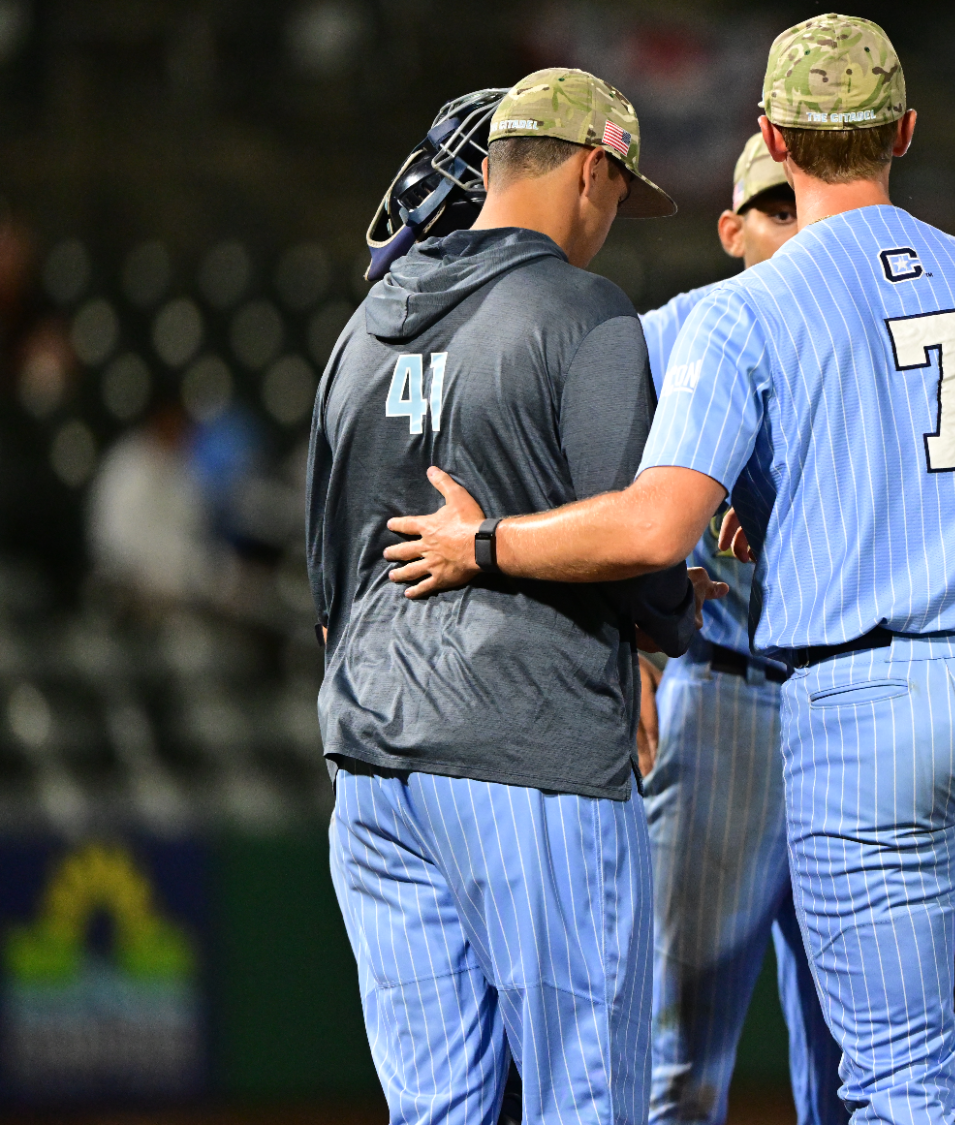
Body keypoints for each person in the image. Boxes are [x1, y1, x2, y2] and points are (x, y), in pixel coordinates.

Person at [378, 15, 955, 1125]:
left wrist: (483, 544)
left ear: (768, 130)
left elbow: (660, 530)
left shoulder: (748, 309)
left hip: (864, 695)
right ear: (903, 130)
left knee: (899, 1072)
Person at [307, 68, 696, 1124]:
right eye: (620, 188)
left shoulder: (362, 330)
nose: (615, 213)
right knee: (586, 1099)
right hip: (530, 751)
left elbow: (329, 585)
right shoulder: (582, 311)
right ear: (591, 168)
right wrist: (674, 611)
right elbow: (642, 553)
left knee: (437, 1110)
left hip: (374, 771)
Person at [634, 134, 845, 1125]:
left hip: (853, 707)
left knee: (856, 1050)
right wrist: (644, 582)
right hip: (727, 701)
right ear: (730, 230)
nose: (795, 227)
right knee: (679, 1049)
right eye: (773, 209)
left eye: (804, 206)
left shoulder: (865, 339)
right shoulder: (675, 333)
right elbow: (562, 442)